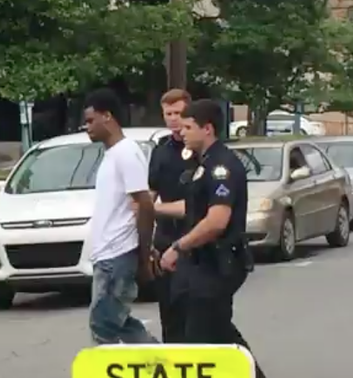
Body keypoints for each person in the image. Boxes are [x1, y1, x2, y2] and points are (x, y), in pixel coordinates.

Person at [156, 99, 266, 378]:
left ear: (207, 129)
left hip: (218, 261)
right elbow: (193, 210)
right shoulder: (201, 164)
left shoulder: (222, 166)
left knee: (202, 339)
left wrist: (178, 247)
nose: (182, 133)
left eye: (189, 127)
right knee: (217, 335)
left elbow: (216, 222)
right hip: (199, 264)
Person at [83, 88, 158, 345]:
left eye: (91, 120)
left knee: (103, 324)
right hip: (106, 253)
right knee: (120, 324)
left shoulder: (127, 153)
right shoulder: (112, 155)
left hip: (118, 253)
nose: (87, 127)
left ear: (108, 116)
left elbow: (145, 204)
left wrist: (144, 255)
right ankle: (161, 362)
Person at [148, 89, 198, 342]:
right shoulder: (161, 150)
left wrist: (152, 209)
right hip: (165, 238)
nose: (173, 119)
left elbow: (195, 205)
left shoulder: (200, 151)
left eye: (178, 113)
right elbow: (150, 193)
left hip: (194, 240)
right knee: (169, 314)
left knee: (196, 315)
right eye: (168, 114)